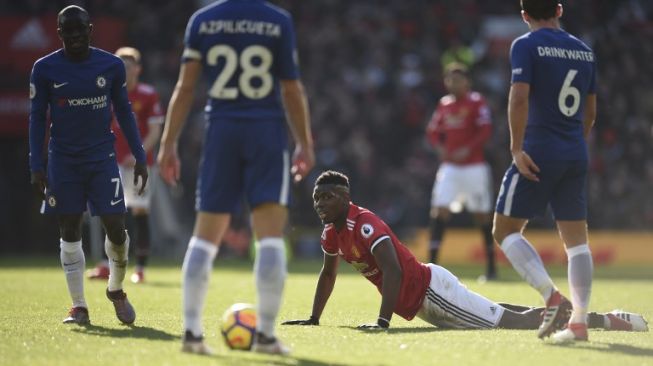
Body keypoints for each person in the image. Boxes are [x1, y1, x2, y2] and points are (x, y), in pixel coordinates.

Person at [282, 171, 647, 333]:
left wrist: (382, 322)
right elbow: (327, 274)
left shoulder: (364, 223)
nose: (319, 204)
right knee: (502, 313)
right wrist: (314, 318)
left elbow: (392, 271)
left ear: (345, 197)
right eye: (316, 198)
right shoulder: (332, 233)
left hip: (431, 293)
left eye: (326, 197)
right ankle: (574, 313)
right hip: (427, 298)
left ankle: (601, 320)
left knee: (509, 324)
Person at [158, 0, 314, 355]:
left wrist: (168, 144)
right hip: (266, 131)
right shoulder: (277, 21)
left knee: (205, 236)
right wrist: (304, 141)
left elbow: (185, 88)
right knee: (271, 237)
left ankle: (192, 334)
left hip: (222, 129)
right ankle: (267, 337)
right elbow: (291, 89)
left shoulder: (204, 20)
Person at [28, 6, 147, 325]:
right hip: (63, 161)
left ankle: (116, 290)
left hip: (101, 160)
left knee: (117, 231)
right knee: (69, 229)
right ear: (60, 34)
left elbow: (125, 111)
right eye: (69, 32)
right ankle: (79, 306)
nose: (76, 37)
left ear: (90, 30)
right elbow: (38, 117)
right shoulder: (44, 68)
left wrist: (140, 154)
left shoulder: (110, 66)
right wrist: (35, 163)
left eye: (81, 31)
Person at [492, 0, 597, 342]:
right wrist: (573, 146)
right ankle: (579, 323)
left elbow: (519, 98)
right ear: (560, 9)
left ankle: (552, 297)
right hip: (575, 152)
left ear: (524, 15)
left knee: (505, 228)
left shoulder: (525, 45)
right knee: (577, 243)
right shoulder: (584, 51)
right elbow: (591, 112)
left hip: (537, 151)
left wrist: (516, 148)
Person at [87, 47, 164, 284]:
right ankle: (104, 265)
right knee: (108, 211)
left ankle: (140, 269)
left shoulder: (148, 95)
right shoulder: (107, 93)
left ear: (138, 69)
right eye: (120, 65)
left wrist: (138, 153)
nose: (124, 70)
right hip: (111, 162)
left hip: (139, 165)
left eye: (128, 66)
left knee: (140, 212)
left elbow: (155, 131)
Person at [425, 62, 496, 281]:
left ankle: (491, 269)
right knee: (439, 210)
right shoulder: (444, 104)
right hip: (450, 168)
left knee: (482, 215)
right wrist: (440, 148)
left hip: (474, 167)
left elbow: (485, 130)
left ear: (467, 82)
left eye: (457, 79)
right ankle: (431, 270)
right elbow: (432, 131)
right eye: (449, 79)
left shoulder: (476, 102)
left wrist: (468, 148)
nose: (452, 83)